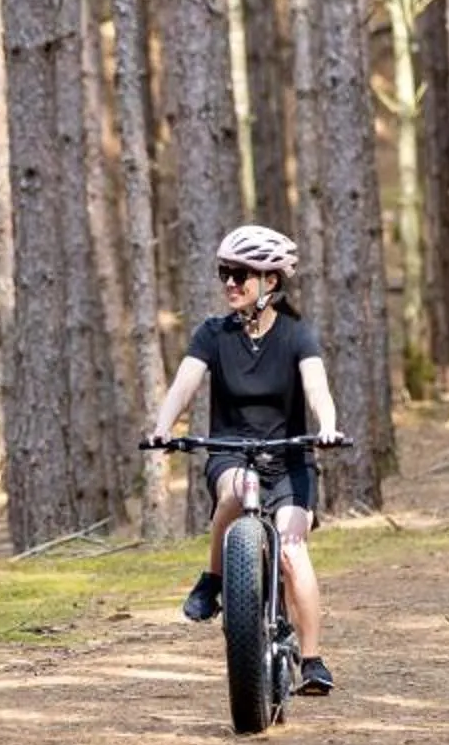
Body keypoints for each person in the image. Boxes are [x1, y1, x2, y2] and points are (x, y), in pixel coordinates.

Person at [145, 223, 346, 694]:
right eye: (224, 273)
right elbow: (184, 384)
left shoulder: (297, 334)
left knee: (293, 549)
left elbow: (317, 388)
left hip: (289, 458)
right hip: (232, 453)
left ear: (270, 282)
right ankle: (214, 578)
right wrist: (162, 427)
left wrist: (328, 425)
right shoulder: (213, 335)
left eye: (240, 273)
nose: (230, 283)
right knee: (236, 490)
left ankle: (313, 660)